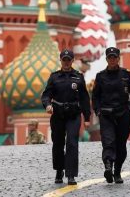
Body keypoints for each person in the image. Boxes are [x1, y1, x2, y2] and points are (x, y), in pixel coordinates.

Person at [41, 49, 91, 185]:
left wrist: (87, 118)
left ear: (72, 61)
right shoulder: (54, 77)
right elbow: (46, 95)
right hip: (57, 114)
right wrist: (47, 105)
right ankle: (59, 170)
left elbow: (85, 98)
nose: (66, 62)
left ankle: (71, 175)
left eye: (69, 60)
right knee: (58, 144)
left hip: (73, 115)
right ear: (61, 61)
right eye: (64, 60)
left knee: (72, 144)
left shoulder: (79, 77)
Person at [92, 47, 130, 184]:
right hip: (106, 115)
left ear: (118, 59)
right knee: (108, 141)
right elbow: (95, 96)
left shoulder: (126, 75)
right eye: (110, 57)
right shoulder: (100, 76)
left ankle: (117, 171)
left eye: (114, 57)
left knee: (121, 145)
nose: (112, 60)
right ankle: (108, 166)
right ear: (106, 59)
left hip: (123, 114)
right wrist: (98, 111)